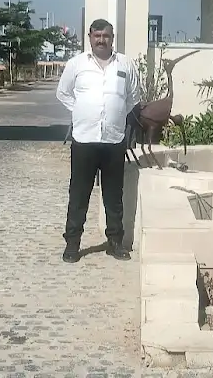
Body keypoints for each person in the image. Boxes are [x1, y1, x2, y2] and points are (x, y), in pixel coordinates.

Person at [56, 19, 140, 263]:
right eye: (97, 35)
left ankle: (115, 243)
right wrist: (81, 111)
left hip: (113, 140)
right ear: (90, 37)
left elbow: (133, 97)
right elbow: (63, 93)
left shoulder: (125, 64)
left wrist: (116, 115)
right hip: (84, 139)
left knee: (114, 196)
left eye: (106, 36)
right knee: (79, 194)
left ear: (112, 38)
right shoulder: (76, 64)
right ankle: (72, 244)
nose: (101, 40)